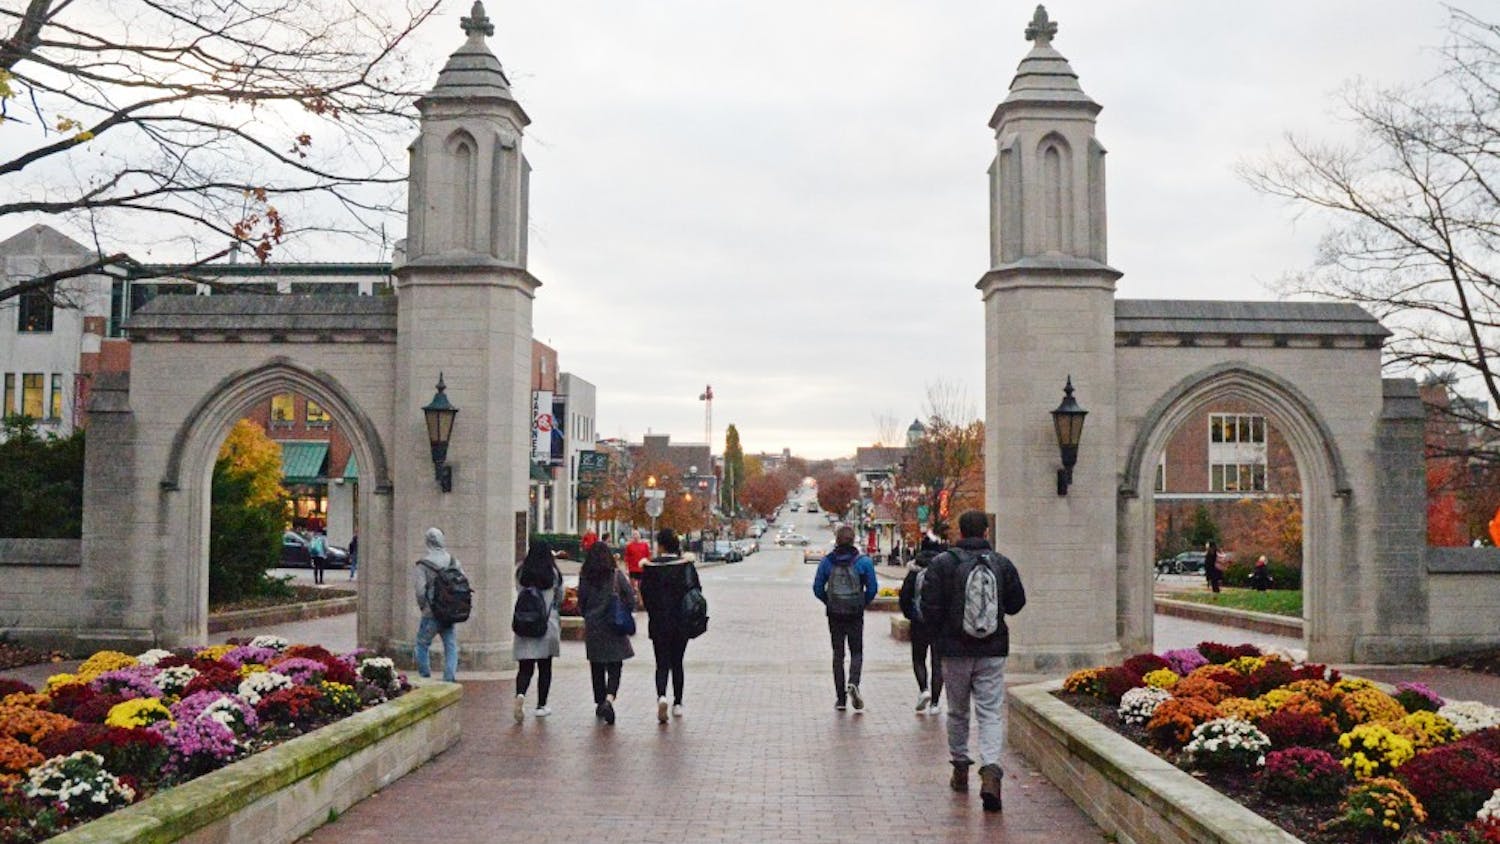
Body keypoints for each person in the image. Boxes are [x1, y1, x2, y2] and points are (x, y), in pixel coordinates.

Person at [920, 510, 1026, 813]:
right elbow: (1017, 604)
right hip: (992, 649)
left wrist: (940, 634)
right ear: (986, 532)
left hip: (954, 651)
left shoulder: (943, 564)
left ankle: (960, 768)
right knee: (990, 712)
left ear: (961, 532)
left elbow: (929, 608)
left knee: (957, 711)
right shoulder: (1002, 564)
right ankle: (991, 770)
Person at [812, 524, 878, 712]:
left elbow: (817, 588)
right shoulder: (863, 562)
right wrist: (861, 602)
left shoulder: (827, 562)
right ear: (853, 539)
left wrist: (829, 601)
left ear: (837, 539)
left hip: (835, 614)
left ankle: (840, 699)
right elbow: (872, 589)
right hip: (855, 613)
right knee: (856, 651)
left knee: (838, 654)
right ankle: (854, 682)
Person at [639, 528, 701, 723]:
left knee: (661, 663)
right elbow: (696, 591)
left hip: (658, 622)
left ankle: (661, 696)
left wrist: (654, 611)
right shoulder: (685, 566)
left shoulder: (650, 567)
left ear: (661, 545)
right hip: (681, 622)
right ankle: (678, 703)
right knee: (677, 662)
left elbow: (645, 596)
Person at [577, 540, 635, 725]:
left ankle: (600, 701)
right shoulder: (616, 575)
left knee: (597, 666)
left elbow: (582, 602)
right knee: (615, 666)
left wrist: (587, 615)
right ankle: (609, 699)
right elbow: (630, 597)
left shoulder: (586, 576)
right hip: (614, 625)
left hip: (594, 627)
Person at [513, 541, 563, 721]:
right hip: (546, 623)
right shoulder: (553, 573)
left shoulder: (521, 572)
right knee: (545, 667)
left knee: (525, 667)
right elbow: (560, 597)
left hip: (525, 621)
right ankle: (541, 705)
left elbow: (518, 590)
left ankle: (520, 694)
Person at [900, 533, 947, 716]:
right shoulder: (943, 567)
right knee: (937, 662)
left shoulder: (914, 569)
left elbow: (905, 596)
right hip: (939, 622)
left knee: (918, 658)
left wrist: (909, 614)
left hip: (919, 621)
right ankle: (935, 703)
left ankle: (923, 690)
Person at [413, 527, 462, 683]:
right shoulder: (454, 561)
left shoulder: (423, 565)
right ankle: (449, 678)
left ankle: (425, 677)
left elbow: (420, 591)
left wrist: (424, 607)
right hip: (449, 612)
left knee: (422, 644)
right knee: (450, 646)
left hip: (431, 613)